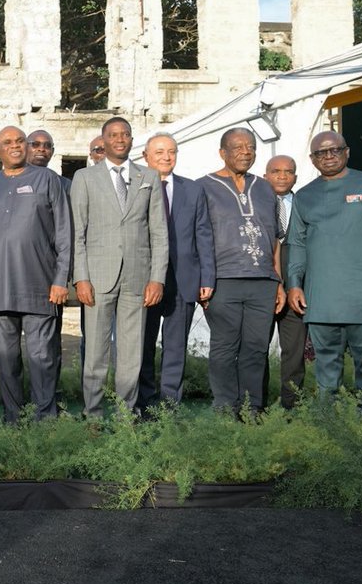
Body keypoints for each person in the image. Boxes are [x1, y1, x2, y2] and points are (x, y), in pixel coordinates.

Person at [287, 131, 362, 416]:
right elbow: (296, 243)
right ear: (312, 159)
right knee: (326, 367)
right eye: (321, 153)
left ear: (347, 151)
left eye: (334, 150)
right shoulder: (305, 196)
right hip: (322, 298)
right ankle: (330, 425)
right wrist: (294, 284)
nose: (328, 156)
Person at [70, 116, 167, 418]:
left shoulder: (148, 178)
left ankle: (127, 413)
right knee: (96, 352)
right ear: (105, 139)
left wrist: (157, 278)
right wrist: (81, 278)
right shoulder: (85, 178)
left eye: (125, 134)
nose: (120, 139)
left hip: (138, 279)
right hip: (98, 278)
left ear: (131, 139)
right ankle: (93, 413)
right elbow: (78, 233)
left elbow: (159, 232)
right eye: (113, 135)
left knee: (131, 353)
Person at [0, 127, 71, 421]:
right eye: (8, 142)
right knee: (6, 358)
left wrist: (60, 279)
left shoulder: (47, 179)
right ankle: (13, 417)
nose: (15, 146)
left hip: (41, 285)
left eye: (20, 141)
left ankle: (46, 417)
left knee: (42, 356)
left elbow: (65, 232)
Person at [199, 127, 284, 415]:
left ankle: (252, 408)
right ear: (223, 152)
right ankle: (224, 407)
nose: (245, 151)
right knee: (224, 347)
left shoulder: (264, 188)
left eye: (250, 146)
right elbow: (197, 238)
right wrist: (204, 280)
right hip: (223, 280)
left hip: (263, 281)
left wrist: (279, 282)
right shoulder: (203, 187)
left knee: (256, 348)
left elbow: (275, 239)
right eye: (237, 147)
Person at [137, 133, 214, 409]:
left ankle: (169, 406)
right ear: (146, 156)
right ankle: (144, 403)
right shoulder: (134, 186)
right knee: (142, 346)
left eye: (171, 152)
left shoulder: (192, 190)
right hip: (144, 281)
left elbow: (203, 234)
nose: (166, 157)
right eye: (159, 152)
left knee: (175, 347)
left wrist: (207, 277)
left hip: (183, 279)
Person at [263, 154, 307, 409]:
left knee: (294, 352)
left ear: (295, 177)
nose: (282, 176)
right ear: (265, 174)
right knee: (257, 350)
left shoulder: (305, 203)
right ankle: (256, 405)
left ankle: (291, 407)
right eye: (276, 171)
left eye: (288, 172)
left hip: (297, 289)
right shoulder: (253, 202)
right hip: (261, 288)